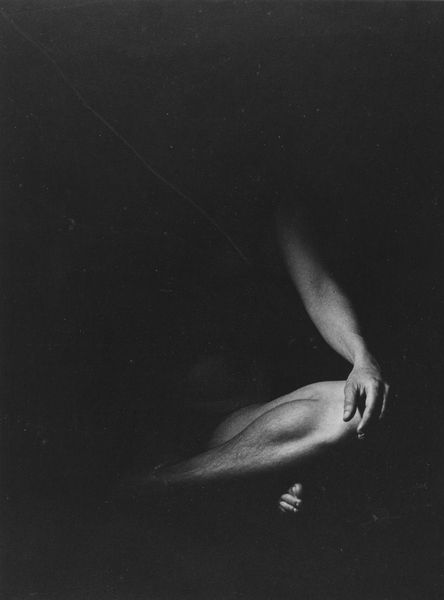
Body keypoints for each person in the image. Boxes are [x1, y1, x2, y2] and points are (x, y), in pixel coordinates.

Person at [133, 197, 390, 514]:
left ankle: (172, 479)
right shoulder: (158, 208)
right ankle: (222, 474)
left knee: (358, 407)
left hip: (235, 423)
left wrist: (362, 359)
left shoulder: (282, 205)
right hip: (163, 417)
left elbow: (318, 286)